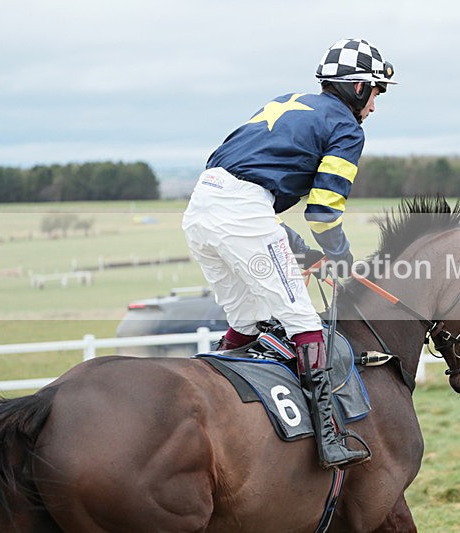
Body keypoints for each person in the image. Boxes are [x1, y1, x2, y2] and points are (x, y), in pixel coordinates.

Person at [182, 38, 395, 469]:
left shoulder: (287, 100)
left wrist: (302, 252)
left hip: (201, 207)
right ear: (357, 87)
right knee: (302, 322)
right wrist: (339, 255)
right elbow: (323, 210)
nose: (375, 105)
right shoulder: (347, 128)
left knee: (245, 322)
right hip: (243, 215)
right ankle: (330, 438)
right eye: (377, 92)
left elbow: (250, 186)